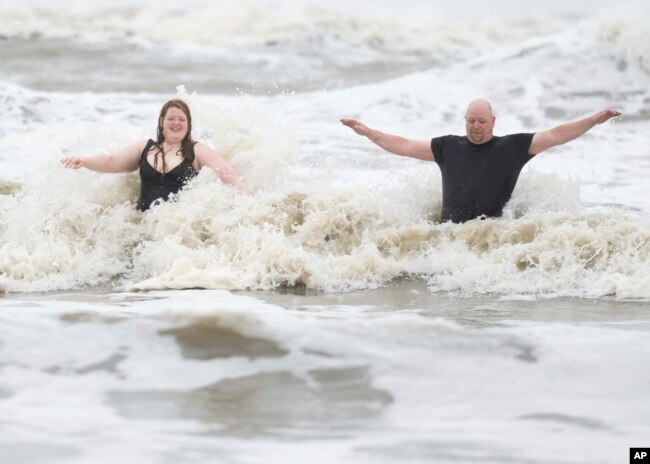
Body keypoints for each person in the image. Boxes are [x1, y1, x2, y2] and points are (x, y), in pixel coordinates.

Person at [341, 99, 621, 223]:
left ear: (493, 122)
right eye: (471, 120)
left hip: (491, 239)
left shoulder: (513, 148)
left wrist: (593, 121)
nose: (476, 126)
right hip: (449, 239)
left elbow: (556, 135)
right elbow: (404, 145)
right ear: (465, 120)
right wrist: (368, 133)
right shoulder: (447, 147)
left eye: (482, 121)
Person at [61, 99, 248, 211]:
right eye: (171, 118)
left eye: (182, 119)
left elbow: (226, 171)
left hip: (176, 231)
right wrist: (84, 161)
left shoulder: (197, 150)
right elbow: (113, 161)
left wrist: (248, 200)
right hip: (142, 227)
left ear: (188, 124)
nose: (176, 123)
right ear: (161, 121)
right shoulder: (144, 148)